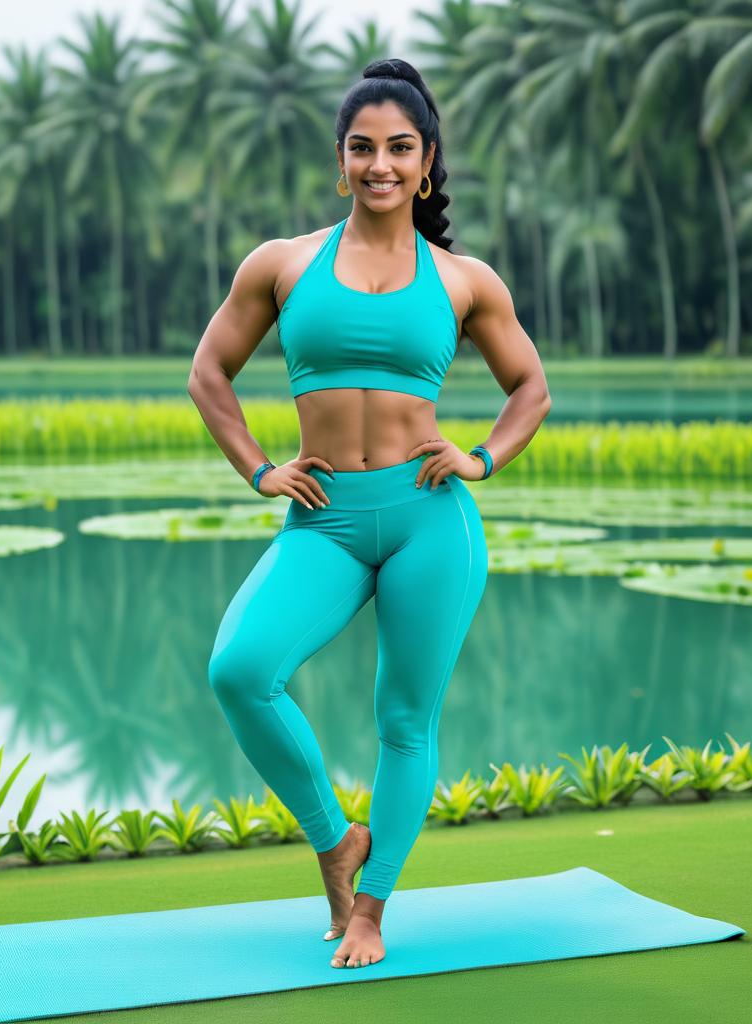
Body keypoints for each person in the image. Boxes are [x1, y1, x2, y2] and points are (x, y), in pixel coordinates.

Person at [187, 57, 551, 971]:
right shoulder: (282, 264)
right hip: (326, 520)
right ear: (340, 160)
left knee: (403, 721)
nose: (380, 164)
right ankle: (333, 839)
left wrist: (481, 459)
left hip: (432, 518)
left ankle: (371, 907)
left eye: (399, 148)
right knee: (240, 667)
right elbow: (208, 373)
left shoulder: (466, 279)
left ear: (427, 163)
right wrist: (259, 470)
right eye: (362, 148)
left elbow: (530, 388)